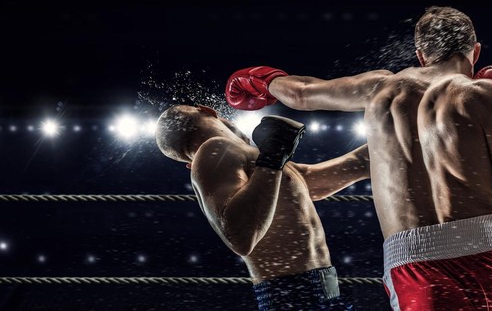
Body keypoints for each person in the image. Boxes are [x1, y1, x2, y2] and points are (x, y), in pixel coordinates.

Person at [224, 6, 492, 310]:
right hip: (483, 263)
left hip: (409, 272)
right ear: (475, 52)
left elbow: (302, 95)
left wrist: (266, 82)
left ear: (422, 56)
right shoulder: (482, 95)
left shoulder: (381, 92)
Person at [155, 104, 369, 310]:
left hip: (323, 293)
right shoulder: (215, 149)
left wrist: (389, 131)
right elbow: (240, 237)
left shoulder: (258, 162)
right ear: (207, 109)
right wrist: (272, 156)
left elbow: (330, 176)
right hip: (292, 296)